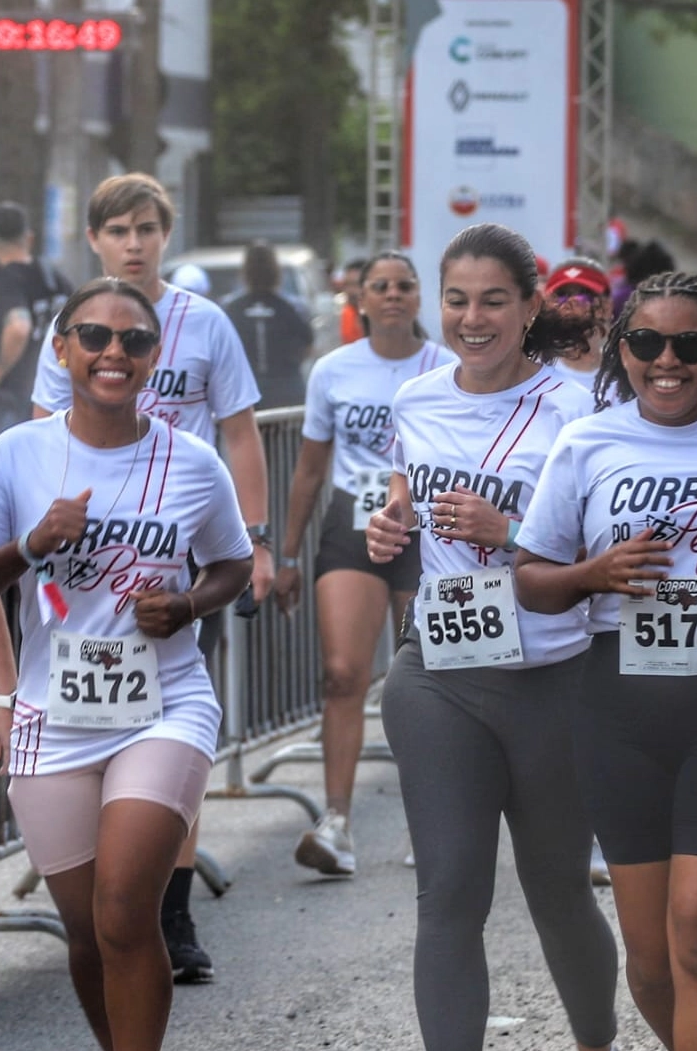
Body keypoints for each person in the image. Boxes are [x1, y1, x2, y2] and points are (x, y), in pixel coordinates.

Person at [0, 276, 254, 1051]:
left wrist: (185, 605)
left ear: (153, 358)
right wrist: (30, 545)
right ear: (62, 350)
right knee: (85, 933)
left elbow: (233, 564)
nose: (114, 352)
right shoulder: (18, 455)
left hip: (165, 705)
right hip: (55, 713)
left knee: (122, 910)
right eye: (95, 337)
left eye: (135, 340)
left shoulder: (190, 461)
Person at [514, 270, 697, 1051]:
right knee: (649, 962)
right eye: (644, 342)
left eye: (687, 344)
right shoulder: (588, 439)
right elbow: (531, 581)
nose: (663, 360)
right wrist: (590, 575)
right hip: (619, 706)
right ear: (619, 350)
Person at [364, 223, 619, 1051]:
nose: (472, 319)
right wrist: (388, 526)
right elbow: (404, 496)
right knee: (449, 891)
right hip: (437, 673)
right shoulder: (415, 398)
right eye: (457, 301)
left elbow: (601, 554)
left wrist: (507, 528)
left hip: (552, 677)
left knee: (556, 891)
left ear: (529, 305)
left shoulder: (580, 412)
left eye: (493, 301)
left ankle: (594, 1040)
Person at [31, 172, 274, 982]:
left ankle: (170, 909)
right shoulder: (70, 326)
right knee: (100, 707)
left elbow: (240, 434)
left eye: (146, 229)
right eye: (117, 231)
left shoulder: (203, 323)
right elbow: (40, 432)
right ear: (94, 240)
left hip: (179, 545)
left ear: (165, 235)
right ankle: (106, 881)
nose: (133, 243)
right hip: (91, 551)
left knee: (174, 712)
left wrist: (255, 541)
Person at [274, 250, 453, 876]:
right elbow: (309, 468)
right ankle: (337, 821)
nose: (394, 296)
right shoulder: (333, 370)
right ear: (359, 298)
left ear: (419, 298)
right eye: (380, 287)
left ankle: (429, 820)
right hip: (352, 525)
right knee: (343, 673)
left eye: (405, 285)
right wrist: (286, 553)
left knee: (423, 680)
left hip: (424, 533)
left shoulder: (446, 368)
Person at [0, 201, 72, 453]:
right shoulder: (52, 275)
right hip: (62, 391)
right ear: (28, 238)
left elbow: (19, 327)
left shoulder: (7, 278)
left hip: (20, 400)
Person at [222, 240, 315, 409]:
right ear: (276, 270)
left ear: (245, 271)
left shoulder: (230, 308)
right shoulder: (293, 307)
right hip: (286, 391)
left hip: (244, 392)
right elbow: (308, 347)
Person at [545, 255, 612, 394]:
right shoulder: (530, 372)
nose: (571, 302)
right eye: (562, 294)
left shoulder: (624, 374)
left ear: (605, 307)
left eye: (584, 294)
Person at [338, 257, 366, 344]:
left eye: (355, 285)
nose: (350, 291)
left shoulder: (384, 319)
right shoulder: (347, 314)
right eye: (347, 285)